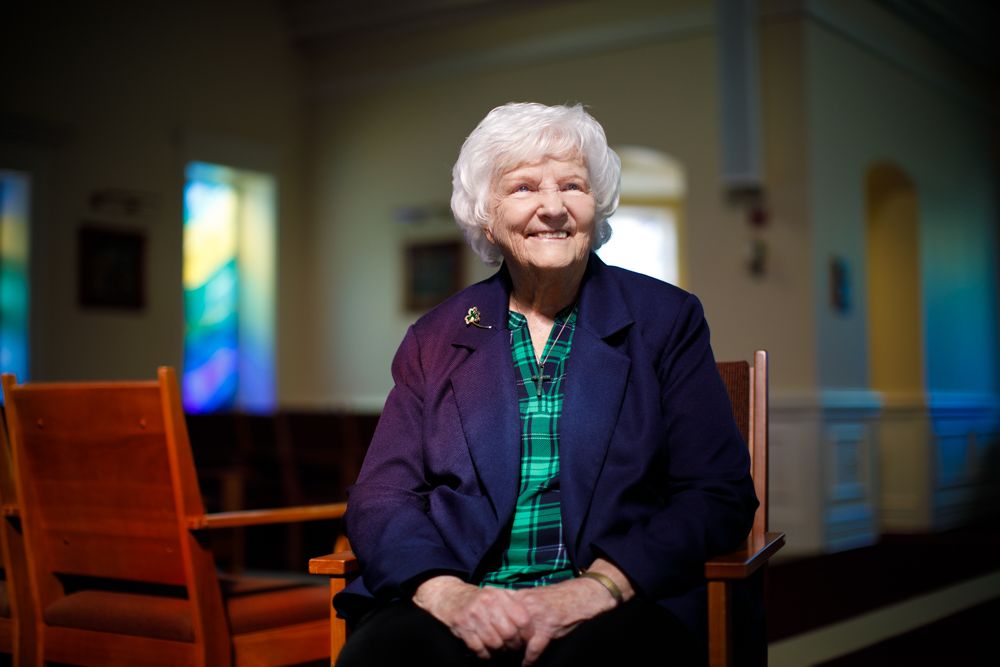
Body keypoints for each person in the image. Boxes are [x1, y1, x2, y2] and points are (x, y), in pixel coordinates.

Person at [334, 102, 758, 667]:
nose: (553, 208)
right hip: (462, 591)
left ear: (597, 205)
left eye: (573, 186)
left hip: (613, 599)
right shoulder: (434, 337)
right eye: (525, 187)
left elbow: (718, 493)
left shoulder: (665, 320)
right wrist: (448, 595)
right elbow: (381, 496)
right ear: (487, 214)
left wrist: (596, 588)